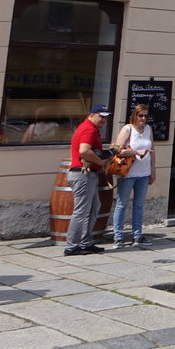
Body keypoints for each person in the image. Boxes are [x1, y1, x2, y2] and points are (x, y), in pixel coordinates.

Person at [65, 104, 112, 256]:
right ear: (92, 114)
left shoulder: (90, 128)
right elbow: (84, 150)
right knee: (81, 212)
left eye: (105, 117)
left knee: (93, 208)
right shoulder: (89, 129)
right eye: (101, 116)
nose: (104, 120)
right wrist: (100, 162)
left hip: (87, 174)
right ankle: (71, 247)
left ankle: (85, 243)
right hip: (83, 174)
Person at [111, 104, 155, 247]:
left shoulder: (148, 129)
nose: (143, 118)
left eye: (146, 116)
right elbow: (116, 151)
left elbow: (152, 150)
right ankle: (118, 237)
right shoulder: (128, 129)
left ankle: (137, 236)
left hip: (144, 172)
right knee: (122, 204)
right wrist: (137, 152)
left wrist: (153, 170)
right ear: (134, 115)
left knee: (139, 205)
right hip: (128, 172)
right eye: (140, 115)